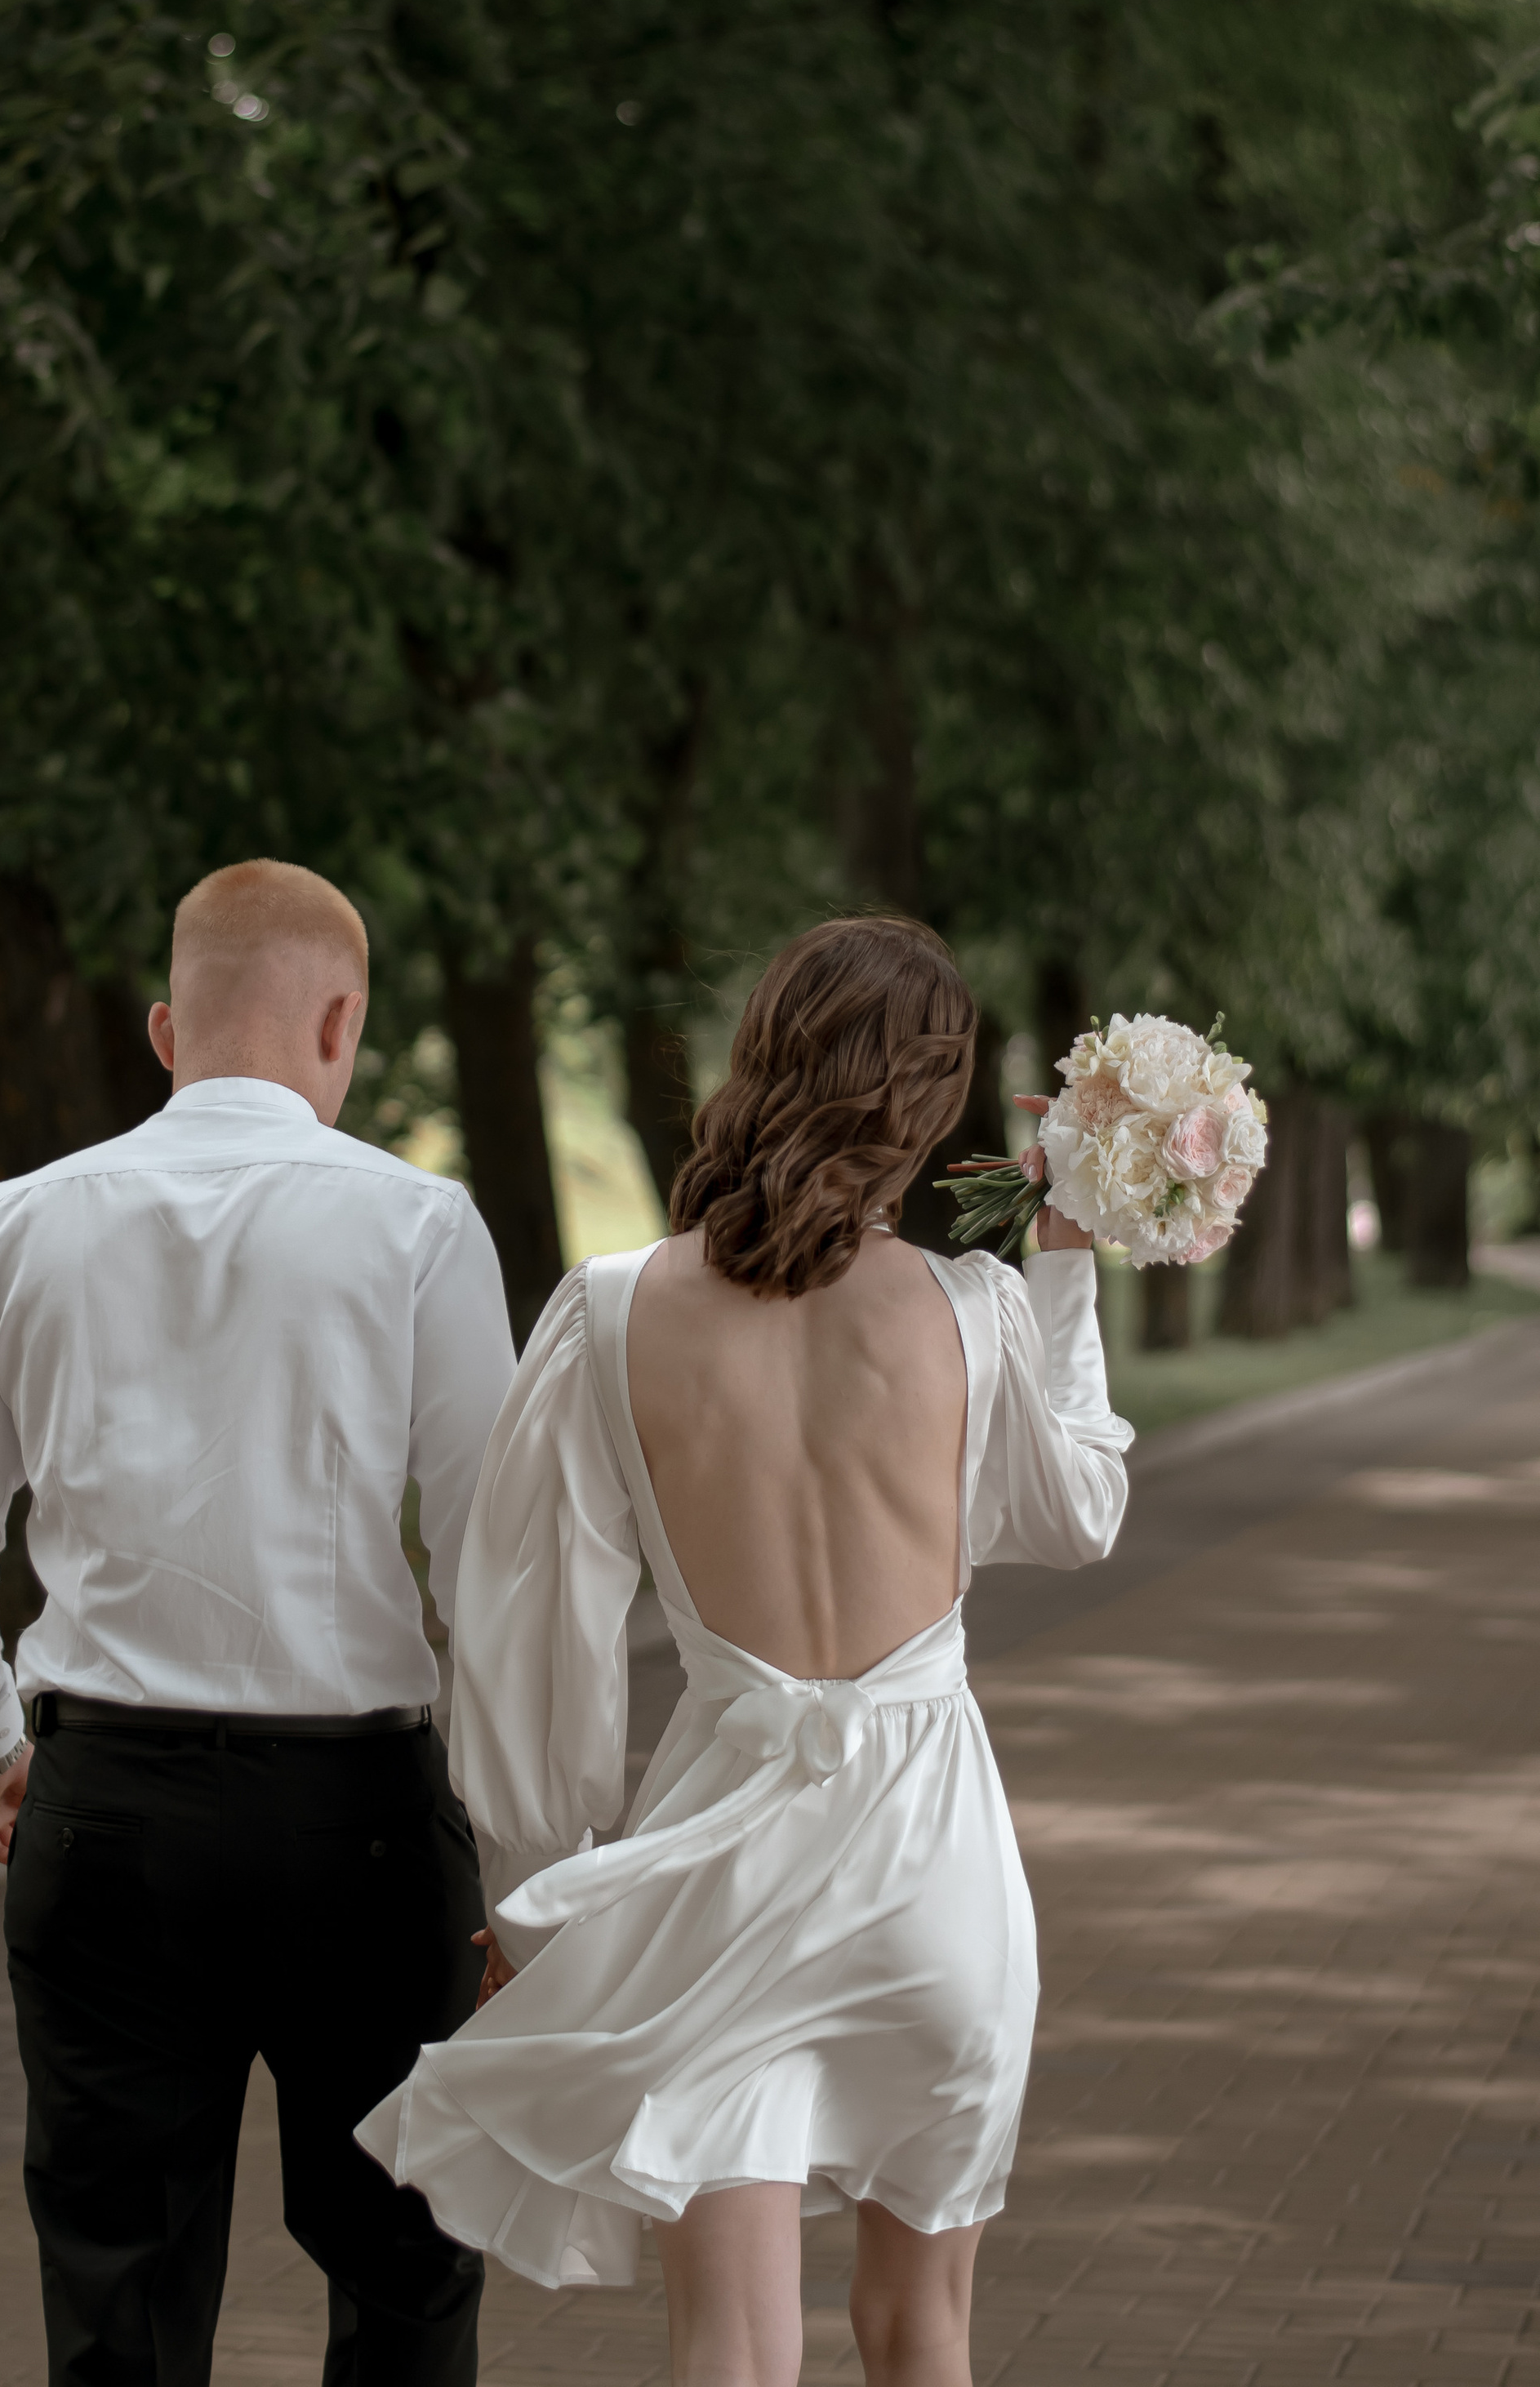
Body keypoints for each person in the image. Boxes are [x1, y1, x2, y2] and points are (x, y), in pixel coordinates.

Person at [356, 914, 1133, 2387]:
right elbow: (1078, 1511)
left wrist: (534, 1889)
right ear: (929, 1097)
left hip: (719, 1866)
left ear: (763, 1055)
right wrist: (1071, 1270)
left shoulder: (607, 1315)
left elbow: (528, 1634)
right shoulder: (977, 1307)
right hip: (936, 1869)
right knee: (923, 2332)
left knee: (730, 2348)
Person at [0, 858, 517, 2387]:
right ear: (341, 1019)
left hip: (105, 1813)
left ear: (168, 1029)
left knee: (119, 2289)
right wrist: (526, 1843)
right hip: (360, 1826)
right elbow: (501, 1566)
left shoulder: (17, 1224)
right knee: (407, 2273)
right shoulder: (422, 1229)